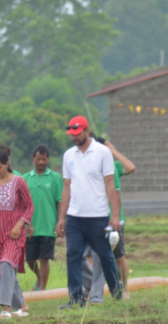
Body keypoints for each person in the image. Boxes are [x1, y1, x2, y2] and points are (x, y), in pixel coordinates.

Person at [55, 116, 123, 307]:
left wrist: (115, 215)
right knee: (73, 255)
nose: (74, 137)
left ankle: (117, 294)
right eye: (71, 134)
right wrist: (62, 217)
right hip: (75, 217)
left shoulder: (102, 152)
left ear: (86, 131)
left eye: (77, 134)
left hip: (98, 216)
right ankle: (76, 299)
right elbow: (66, 187)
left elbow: (110, 185)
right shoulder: (69, 155)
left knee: (105, 256)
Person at [0, 146, 34, 319]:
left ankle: (5, 308)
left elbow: (29, 207)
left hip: (14, 233)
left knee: (6, 264)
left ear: (7, 163)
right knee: (7, 269)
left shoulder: (19, 182)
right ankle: (23, 305)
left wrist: (20, 225)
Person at [81, 135, 136, 303]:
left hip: (115, 220)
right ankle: (94, 290)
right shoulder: (88, 169)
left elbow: (130, 167)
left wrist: (112, 150)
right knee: (91, 256)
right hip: (94, 218)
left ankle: (124, 288)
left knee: (118, 256)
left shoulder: (114, 167)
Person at [23, 145, 61, 291]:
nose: (41, 162)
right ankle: (39, 277)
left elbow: (59, 201)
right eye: (38, 159)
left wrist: (59, 221)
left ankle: (43, 290)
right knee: (30, 259)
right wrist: (26, 223)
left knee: (44, 259)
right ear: (33, 159)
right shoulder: (25, 178)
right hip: (29, 227)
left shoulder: (55, 178)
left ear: (48, 159)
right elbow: (21, 204)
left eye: (44, 159)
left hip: (48, 226)